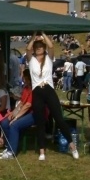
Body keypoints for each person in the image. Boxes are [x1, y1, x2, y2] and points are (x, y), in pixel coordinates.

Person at [26, 32, 75, 161]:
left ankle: (72, 145)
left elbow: (52, 46)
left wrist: (42, 34)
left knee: (59, 118)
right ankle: (42, 151)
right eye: (36, 47)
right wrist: (33, 37)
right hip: (37, 91)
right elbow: (27, 49)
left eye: (41, 46)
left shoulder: (48, 58)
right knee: (40, 121)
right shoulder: (31, 61)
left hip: (49, 90)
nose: (38, 48)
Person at [0, 70, 35, 160]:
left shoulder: (34, 89)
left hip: (34, 114)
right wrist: (13, 113)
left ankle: (11, 152)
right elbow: (21, 103)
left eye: (24, 77)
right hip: (25, 112)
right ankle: (8, 145)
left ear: (28, 78)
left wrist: (16, 117)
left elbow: (28, 105)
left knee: (14, 125)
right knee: (5, 122)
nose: (23, 79)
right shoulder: (26, 88)